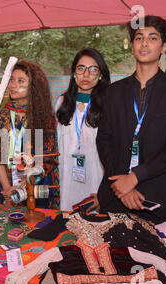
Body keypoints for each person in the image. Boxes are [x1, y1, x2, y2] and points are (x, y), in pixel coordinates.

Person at [96, 15, 166, 277]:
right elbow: (104, 139)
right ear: (132, 45)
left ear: (163, 47)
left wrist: (136, 177)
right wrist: (122, 183)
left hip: (159, 195)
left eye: (152, 38)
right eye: (138, 38)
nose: (144, 44)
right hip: (116, 193)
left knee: (159, 273)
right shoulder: (114, 92)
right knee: (114, 271)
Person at [0, 60, 57, 208]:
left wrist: (20, 189)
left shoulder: (44, 118)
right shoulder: (1, 116)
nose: (13, 85)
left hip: (34, 187)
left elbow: (45, 161)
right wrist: (8, 189)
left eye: (20, 81)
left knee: (35, 228)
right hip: (4, 187)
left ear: (34, 87)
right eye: (12, 80)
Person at [55, 48, 110, 212]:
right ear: (74, 73)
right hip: (65, 178)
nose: (86, 74)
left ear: (100, 75)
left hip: (95, 181)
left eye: (93, 69)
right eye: (81, 68)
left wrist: (105, 190)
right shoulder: (61, 102)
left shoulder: (108, 105)